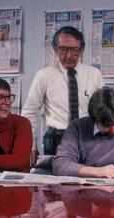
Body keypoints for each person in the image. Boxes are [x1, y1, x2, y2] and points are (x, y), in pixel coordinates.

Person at [22, 26, 104, 157]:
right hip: (57, 138)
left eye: (74, 50)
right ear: (55, 49)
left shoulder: (94, 74)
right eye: (63, 49)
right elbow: (29, 112)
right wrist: (30, 145)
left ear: (82, 50)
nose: (68, 55)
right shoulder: (44, 75)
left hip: (87, 136)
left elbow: (103, 110)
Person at [52, 87, 114, 178]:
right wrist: (99, 172)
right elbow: (60, 164)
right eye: (107, 126)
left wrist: (86, 170)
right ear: (95, 120)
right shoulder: (76, 127)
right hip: (85, 191)